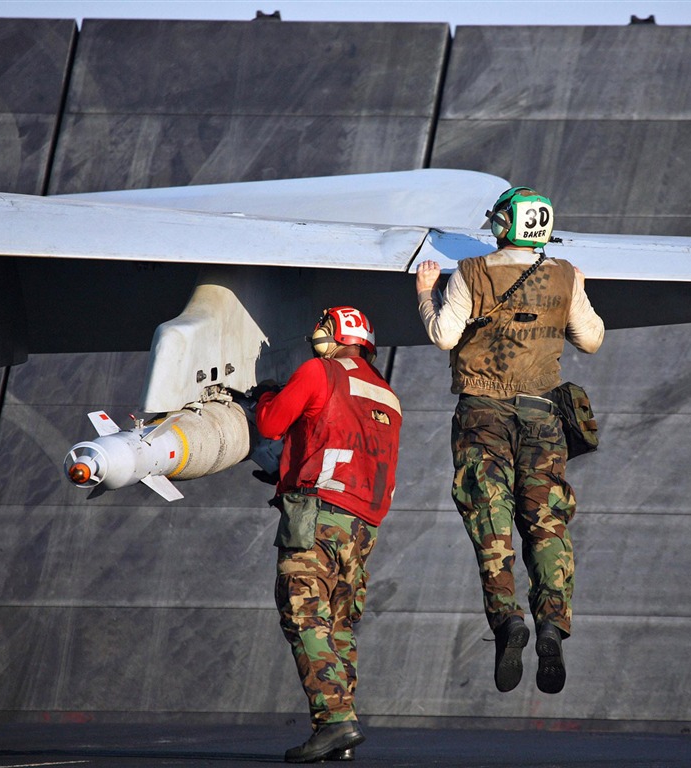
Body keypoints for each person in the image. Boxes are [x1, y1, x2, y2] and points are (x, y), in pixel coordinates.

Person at [414, 187, 604, 695]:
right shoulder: (566, 275)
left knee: (491, 522)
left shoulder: (472, 273)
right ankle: (552, 623)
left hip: (482, 415)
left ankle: (507, 621)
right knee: (546, 524)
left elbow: (444, 336)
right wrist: (571, 293)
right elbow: (591, 339)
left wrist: (425, 292)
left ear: (505, 225)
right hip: (542, 417)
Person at [253, 306, 402, 763]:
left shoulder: (320, 371)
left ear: (335, 334)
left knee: (302, 614)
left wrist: (265, 396)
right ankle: (336, 733)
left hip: (317, 514)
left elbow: (271, 423)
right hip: (363, 526)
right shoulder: (387, 396)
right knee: (339, 626)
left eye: (322, 325)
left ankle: (336, 721)